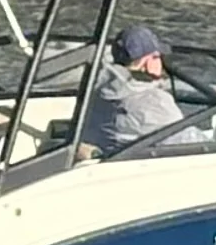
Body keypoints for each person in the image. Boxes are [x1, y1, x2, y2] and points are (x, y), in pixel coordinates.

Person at [79, 24, 186, 156]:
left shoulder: (99, 92)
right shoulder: (155, 102)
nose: (162, 62)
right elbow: (186, 144)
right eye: (157, 57)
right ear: (146, 62)